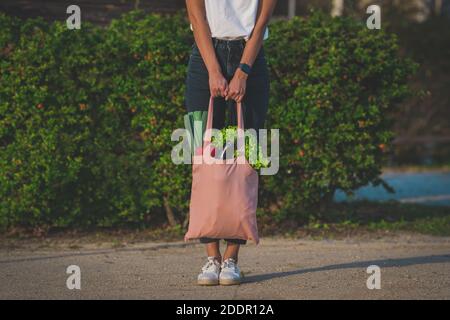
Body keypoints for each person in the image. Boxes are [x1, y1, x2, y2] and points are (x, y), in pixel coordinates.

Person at [185, 0, 277, 286]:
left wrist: (243, 71)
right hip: (204, 57)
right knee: (202, 155)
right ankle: (211, 256)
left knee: (247, 156)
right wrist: (214, 70)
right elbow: (197, 18)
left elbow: (260, 24)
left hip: (251, 56)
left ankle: (232, 259)